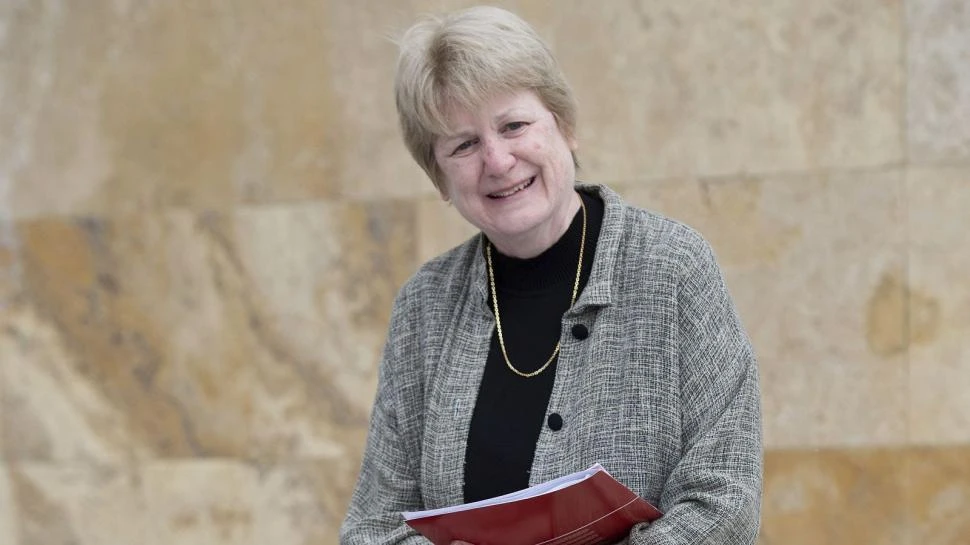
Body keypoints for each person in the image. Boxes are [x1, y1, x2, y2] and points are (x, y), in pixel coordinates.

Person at [340, 5, 762, 544]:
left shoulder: (672, 266)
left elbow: (726, 501)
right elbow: (373, 529)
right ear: (439, 177)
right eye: (464, 145)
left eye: (514, 126)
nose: (497, 160)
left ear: (565, 127)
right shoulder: (425, 306)